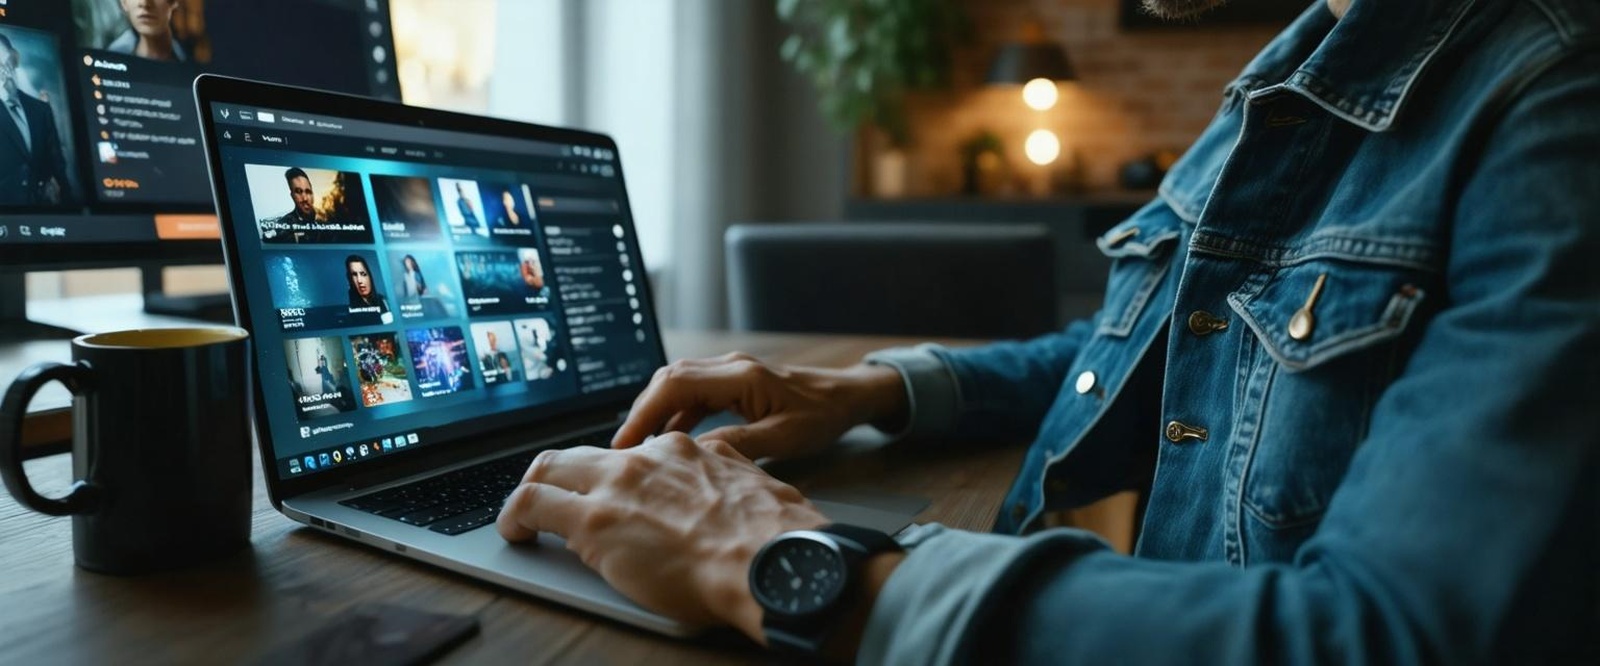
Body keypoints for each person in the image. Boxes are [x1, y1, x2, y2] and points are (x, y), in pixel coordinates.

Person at [495, 0, 1600, 663]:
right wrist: (871, 389)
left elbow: (1394, 639)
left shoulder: (1556, 97)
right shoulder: (1290, 77)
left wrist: (788, 565)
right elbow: (1130, 338)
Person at [0, 34, 71, 206]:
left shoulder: (41, 110)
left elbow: (58, 166)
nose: (4, 69)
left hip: (45, 213)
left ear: (15, 58)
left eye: (5, 60)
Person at [106, 0, 189, 63]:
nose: (145, 3)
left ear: (174, 2)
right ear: (123, 3)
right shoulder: (112, 56)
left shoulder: (190, 56)